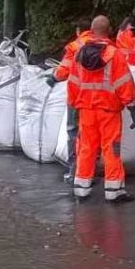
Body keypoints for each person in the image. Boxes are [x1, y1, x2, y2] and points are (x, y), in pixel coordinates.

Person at [56, 16, 135, 203]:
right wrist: (132, 106)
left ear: (91, 31)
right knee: (111, 149)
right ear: (109, 30)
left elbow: (73, 84)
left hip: (86, 110)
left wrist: (75, 105)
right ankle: (114, 190)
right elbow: (124, 83)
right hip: (108, 111)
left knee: (86, 148)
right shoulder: (114, 54)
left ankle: (81, 188)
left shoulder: (80, 54)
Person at [49, 21, 94, 184]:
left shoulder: (75, 46)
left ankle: (75, 170)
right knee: (92, 135)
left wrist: (53, 77)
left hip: (77, 97)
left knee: (73, 132)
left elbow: (63, 71)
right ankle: (92, 171)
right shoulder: (104, 44)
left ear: (78, 30)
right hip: (98, 99)